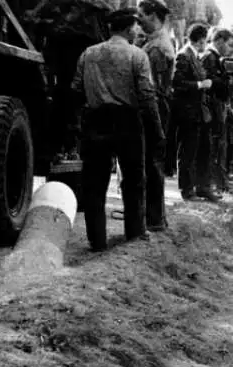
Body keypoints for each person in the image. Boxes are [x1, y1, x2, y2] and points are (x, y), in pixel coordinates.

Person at [72, 8, 164, 252]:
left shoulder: (88, 53)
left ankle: (97, 240)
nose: (137, 30)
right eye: (135, 26)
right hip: (127, 121)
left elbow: (76, 89)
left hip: (95, 120)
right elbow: (147, 96)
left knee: (94, 183)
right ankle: (134, 232)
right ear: (128, 28)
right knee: (134, 180)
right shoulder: (137, 55)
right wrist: (156, 131)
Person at [137, 0, 173, 232]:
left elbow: (153, 86)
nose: (138, 21)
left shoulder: (157, 47)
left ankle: (154, 218)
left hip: (154, 106)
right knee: (152, 160)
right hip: (157, 105)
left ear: (153, 17)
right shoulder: (155, 42)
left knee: (151, 161)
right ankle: (155, 216)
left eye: (141, 16)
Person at [171, 23, 212, 201]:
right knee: (187, 153)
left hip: (194, 112)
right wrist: (200, 85)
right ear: (201, 40)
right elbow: (177, 84)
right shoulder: (184, 56)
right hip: (187, 112)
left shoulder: (192, 55)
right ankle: (186, 190)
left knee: (191, 151)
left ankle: (190, 189)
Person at [198, 28, 233, 199]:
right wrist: (224, 81)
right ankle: (204, 186)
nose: (230, 49)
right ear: (219, 40)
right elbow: (205, 83)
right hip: (209, 108)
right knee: (208, 148)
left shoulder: (215, 58)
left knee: (213, 148)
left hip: (216, 108)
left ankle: (208, 184)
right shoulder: (209, 57)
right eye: (229, 44)